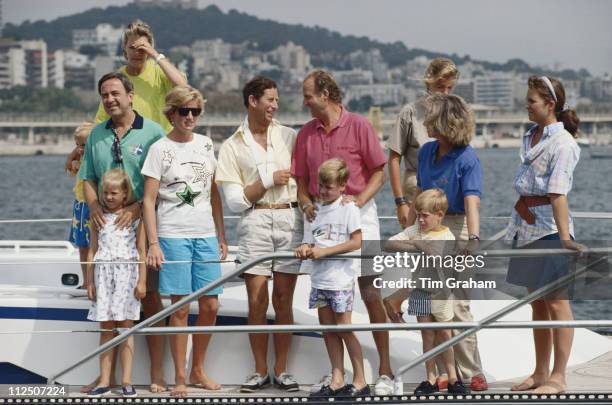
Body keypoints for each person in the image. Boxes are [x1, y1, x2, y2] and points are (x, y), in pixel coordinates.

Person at [291, 70, 392, 395]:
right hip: (320, 222)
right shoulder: (305, 133)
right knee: (326, 299)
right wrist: (305, 203)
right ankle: (337, 374)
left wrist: (359, 200)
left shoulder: (360, 125)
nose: (304, 101)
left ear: (325, 94)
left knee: (372, 294)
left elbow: (380, 172)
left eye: (308, 95)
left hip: (360, 216)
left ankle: (386, 370)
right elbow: (301, 182)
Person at [77, 71, 166, 392]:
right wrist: (95, 206)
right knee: (108, 315)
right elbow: (87, 178)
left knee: (152, 301)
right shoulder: (97, 135)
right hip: (108, 234)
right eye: (104, 95)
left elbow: (163, 182)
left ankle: (156, 374)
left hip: (144, 231)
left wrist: (136, 207)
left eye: (115, 93)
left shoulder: (154, 133)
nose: (110, 99)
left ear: (130, 96)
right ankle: (107, 378)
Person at [215, 76, 303, 392]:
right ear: (253, 101)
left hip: (290, 218)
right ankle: (258, 371)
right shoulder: (231, 146)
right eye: (270, 100)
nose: (275, 106)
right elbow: (236, 202)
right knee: (256, 300)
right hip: (254, 221)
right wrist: (267, 179)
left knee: (283, 299)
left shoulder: (291, 136)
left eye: (276, 100)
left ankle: (281, 370)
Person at [142, 85, 227, 397]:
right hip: (173, 235)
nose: (189, 116)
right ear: (171, 114)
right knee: (180, 308)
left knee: (211, 304)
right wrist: (153, 243)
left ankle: (198, 369)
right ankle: (179, 376)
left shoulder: (206, 145)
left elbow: (214, 192)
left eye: (195, 111)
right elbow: (148, 201)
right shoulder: (159, 149)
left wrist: (222, 233)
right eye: (183, 111)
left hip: (205, 234)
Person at [505, 76, 585, 394]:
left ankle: (559, 376)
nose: (527, 105)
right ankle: (539, 372)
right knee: (537, 304)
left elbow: (558, 194)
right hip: (525, 228)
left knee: (558, 304)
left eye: (532, 101)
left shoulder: (563, 143)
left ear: (550, 105)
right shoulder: (529, 137)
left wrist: (565, 239)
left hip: (550, 229)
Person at [404, 92, 488, 391]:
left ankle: (471, 373)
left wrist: (473, 241)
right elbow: (421, 193)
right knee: (430, 301)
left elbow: (472, 201)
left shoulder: (467, 157)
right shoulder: (427, 152)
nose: (425, 121)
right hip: (429, 224)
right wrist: (411, 230)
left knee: (458, 304)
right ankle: (443, 373)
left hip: (458, 225)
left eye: (431, 116)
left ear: (445, 121)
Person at [384, 58, 459, 322]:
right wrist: (400, 201)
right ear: (430, 81)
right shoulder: (410, 112)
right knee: (420, 255)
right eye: (442, 86)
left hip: (444, 190)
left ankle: (398, 301)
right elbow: (393, 157)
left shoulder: (454, 110)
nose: (446, 93)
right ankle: (416, 313)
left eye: (450, 87)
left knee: (435, 259)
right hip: (416, 185)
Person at [295, 158, 370, 398]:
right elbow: (310, 240)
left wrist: (325, 252)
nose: (324, 191)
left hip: (340, 280)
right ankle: (337, 378)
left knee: (344, 329)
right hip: (320, 280)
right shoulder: (314, 211)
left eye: (329, 186)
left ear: (342, 186)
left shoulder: (348, 208)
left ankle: (360, 380)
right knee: (328, 330)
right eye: (321, 186)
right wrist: (304, 248)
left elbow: (357, 241)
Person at [385, 189, 469, 395]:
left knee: (444, 335)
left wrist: (425, 247)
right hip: (421, 291)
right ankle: (430, 377)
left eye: (425, 216)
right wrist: (417, 244)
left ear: (439, 215)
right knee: (427, 336)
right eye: (418, 214)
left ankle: (452, 377)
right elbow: (389, 244)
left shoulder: (447, 235)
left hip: (441, 292)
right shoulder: (415, 231)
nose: (420, 220)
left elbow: (439, 258)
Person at [85, 169, 146, 398]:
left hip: (126, 275)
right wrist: (89, 281)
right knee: (106, 329)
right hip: (103, 275)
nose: (109, 197)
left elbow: (141, 250)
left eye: (114, 193)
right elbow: (92, 250)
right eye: (105, 193)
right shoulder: (97, 217)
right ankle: (103, 380)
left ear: (124, 194)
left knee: (125, 327)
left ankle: (126, 380)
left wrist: (142, 281)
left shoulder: (134, 218)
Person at [67, 120, 95, 288]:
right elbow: (69, 167)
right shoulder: (79, 160)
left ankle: (94, 280)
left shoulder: (96, 161)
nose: (80, 148)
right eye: (77, 145)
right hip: (79, 206)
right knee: (82, 246)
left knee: (93, 246)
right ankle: (86, 281)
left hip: (90, 206)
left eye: (83, 145)